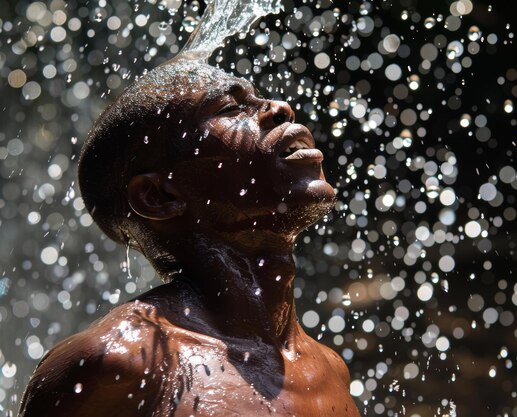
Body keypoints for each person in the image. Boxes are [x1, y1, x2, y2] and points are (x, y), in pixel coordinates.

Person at [19, 53, 361, 417]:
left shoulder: (329, 367)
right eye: (230, 109)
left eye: (260, 99)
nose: (280, 109)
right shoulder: (119, 364)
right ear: (159, 196)